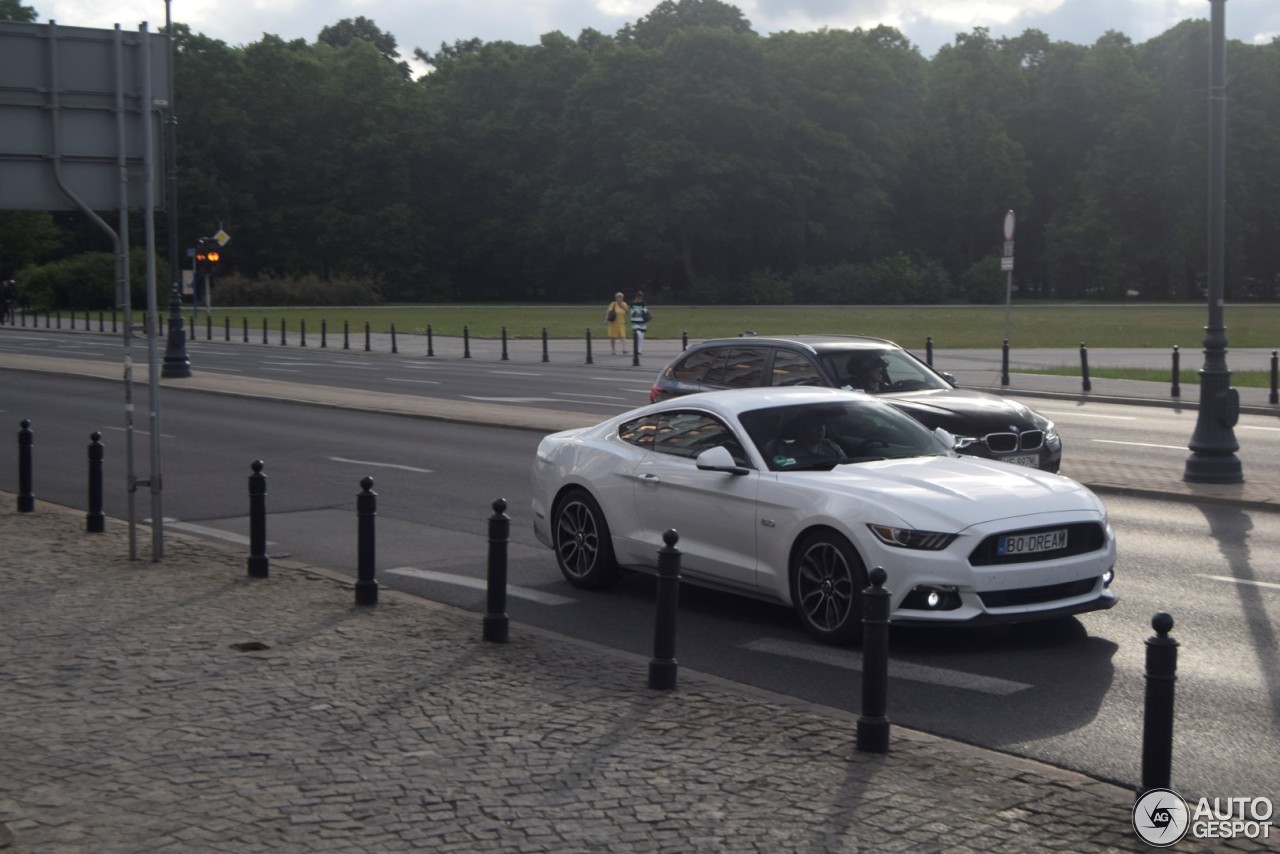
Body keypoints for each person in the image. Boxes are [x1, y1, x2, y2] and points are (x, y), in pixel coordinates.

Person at [767, 413, 847, 467]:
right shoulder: (786, 453)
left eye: (822, 424)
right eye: (814, 425)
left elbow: (846, 466)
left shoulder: (831, 447)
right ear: (802, 429)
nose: (820, 429)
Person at [628, 290, 650, 355]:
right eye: (638, 297)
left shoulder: (643, 304)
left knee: (642, 337)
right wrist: (639, 311)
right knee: (638, 335)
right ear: (636, 297)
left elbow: (645, 311)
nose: (639, 299)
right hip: (635, 323)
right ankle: (636, 349)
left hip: (642, 323)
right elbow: (632, 313)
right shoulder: (632, 304)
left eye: (640, 298)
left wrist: (637, 311)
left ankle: (639, 351)